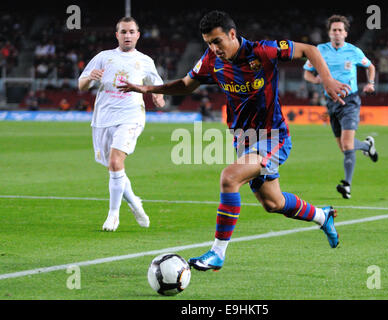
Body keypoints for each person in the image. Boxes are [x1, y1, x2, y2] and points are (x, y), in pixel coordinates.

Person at [118, 11, 350, 271]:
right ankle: (323, 216)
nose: (213, 48)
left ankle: (217, 253)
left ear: (232, 34)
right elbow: (186, 84)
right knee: (273, 203)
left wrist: (327, 80)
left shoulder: (263, 51)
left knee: (229, 177)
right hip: (243, 139)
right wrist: (149, 89)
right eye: (208, 43)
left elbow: (309, 50)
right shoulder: (211, 60)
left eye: (217, 41)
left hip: (273, 136)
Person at [78, 17, 165, 231]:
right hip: (103, 119)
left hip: (131, 116)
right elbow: (81, 85)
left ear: (138, 35)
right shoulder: (103, 57)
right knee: (113, 167)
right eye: (123, 32)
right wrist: (90, 77)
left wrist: (158, 97)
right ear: (117, 35)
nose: (127, 35)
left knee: (116, 162)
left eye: (131, 31)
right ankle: (135, 201)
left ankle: (113, 215)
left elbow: (157, 85)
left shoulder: (145, 61)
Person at [303, 15, 378, 200]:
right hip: (331, 102)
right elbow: (307, 73)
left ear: (345, 33)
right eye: (334, 30)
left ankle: (347, 185)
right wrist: (316, 79)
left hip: (350, 101)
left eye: (340, 30)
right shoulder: (319, 50)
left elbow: (370, 67)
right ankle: (367, 146)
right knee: (345, 147)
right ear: (329, 33)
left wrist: (370, 83)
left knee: (347, 144)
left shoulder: (353, 51)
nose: (337, 33)